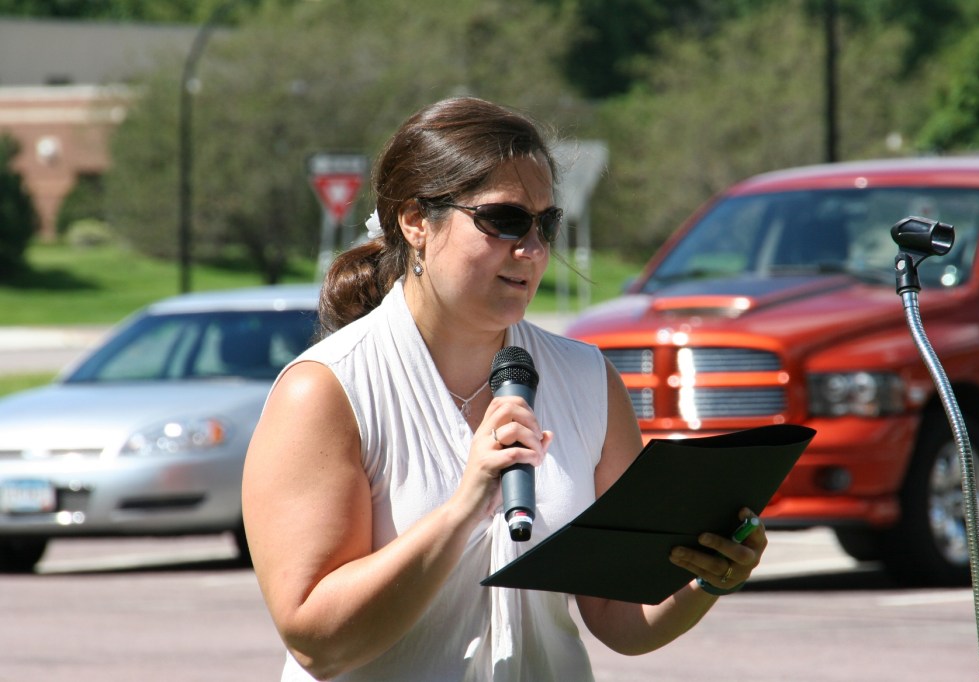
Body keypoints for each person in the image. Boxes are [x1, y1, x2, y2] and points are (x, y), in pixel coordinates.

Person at [241, 96, 767, 682]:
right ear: (416, 220)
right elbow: (319, 642)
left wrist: (706, 576)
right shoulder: (325, 389)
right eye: (505, 220)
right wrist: (466, 506)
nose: (534, 249)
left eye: (546, 223)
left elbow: (621, 616)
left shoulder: (588, 380)